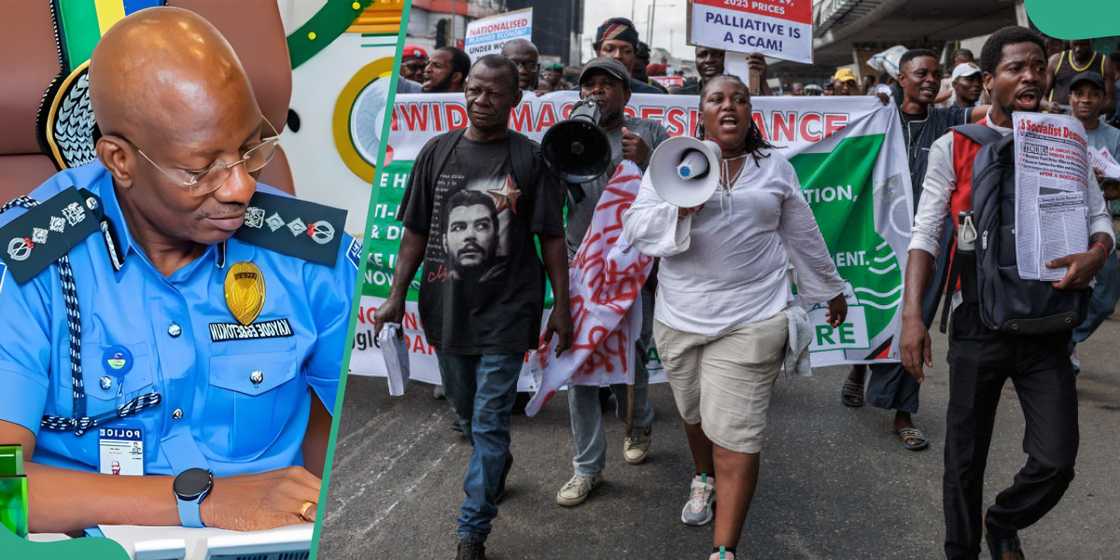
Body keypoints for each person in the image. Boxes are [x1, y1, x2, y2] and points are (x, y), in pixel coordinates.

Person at [0, 7, 355, 533]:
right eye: (201, 168)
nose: (240, 187)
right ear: (119, 160)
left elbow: (349, 454)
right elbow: (5, 486)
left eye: (249, 148)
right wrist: (201, 502)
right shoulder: (32, 258)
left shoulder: (309, 254)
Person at [902, 26, 1115, 560]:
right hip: (977, 321)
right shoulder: (955, 146)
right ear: (989, 80)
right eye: (1015, 68)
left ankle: (1003, 521)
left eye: (1037, 67)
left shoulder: (1068, 138)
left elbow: (1098, 218)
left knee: (1056, 460)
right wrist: (912, 318)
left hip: (1047, 323)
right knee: (965, 458)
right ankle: (962, 550)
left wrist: (1097, 252)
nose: (1029, 76)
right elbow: (925, 233)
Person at [622, 74, 847, 560]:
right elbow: (637, 226)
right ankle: (702, 476)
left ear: (750, 113)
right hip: (680, 316)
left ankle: (724, 551)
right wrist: (681, 210)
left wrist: (829, 288)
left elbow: (803, 231)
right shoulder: (674, 165)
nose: (729, 107)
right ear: (699, 113)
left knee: (736, 433)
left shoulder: (774, 168)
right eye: (717, 99)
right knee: (694, 413)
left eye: (740, 100)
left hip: (754, 316)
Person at [374, 54, 571, 560]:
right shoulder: (437, 152)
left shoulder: (530, 160)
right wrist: (397, 295)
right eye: (475, 91)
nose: (481, 101)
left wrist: (562, 308)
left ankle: (471, 532)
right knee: (466, 417)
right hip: (446, 309)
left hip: (509, 310)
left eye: (493, 94)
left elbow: (551, 240)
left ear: (515, 100)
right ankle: (495, 461)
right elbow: (414, 233)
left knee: (488, 421)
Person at [842, 48, 987, 452]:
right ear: (901, 79)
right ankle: (858, 369)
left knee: (915, 315)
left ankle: (903, 413)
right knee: (877, 309)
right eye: (920, 73)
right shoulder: (878, 116)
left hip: (927, 239)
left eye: (935, 75)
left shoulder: (946, 120)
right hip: (877, 234)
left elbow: (989, 115)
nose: (929, 80)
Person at [553, 57, 667, 508]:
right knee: (578, 363)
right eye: (589, 85)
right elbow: (554, 196)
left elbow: (681, 187)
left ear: (626, 93)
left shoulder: (650, 132)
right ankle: (587, 468)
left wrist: (650, 160)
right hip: (582, 263)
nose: (597, 92)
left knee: (631, 355)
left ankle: (638, 422)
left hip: (635, 266)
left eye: (607, 84)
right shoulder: (570, 132)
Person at [1067, 71, 1120, 368]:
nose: (1085, 99)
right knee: (1063, 285)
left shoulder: (1114, 137)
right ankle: (1060, 347)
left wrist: (1109, 184)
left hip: (1099, 225)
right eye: (1079, 93)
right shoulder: (1058, 128)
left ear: (1103, 99)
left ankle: (1070, 337)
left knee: (1106, 295)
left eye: (1093, 94)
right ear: (1069, 98)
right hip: (1062, 219)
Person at [591, 17, 661, 94]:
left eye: (626, 51)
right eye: (609, 49)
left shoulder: (654, 95)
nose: (618, 56)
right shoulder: (578, 95)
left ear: (634, 55)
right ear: (598, 53)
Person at [1047, 39, 1116, 113]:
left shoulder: (1104, 63)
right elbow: (1040, 97)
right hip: (1057, 118)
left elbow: (1110, 103)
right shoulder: (1056, 60)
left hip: (1089, 120)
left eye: (1083, 45)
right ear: (1069, 42)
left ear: (1091, 42)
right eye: (1075, 44)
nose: (1078, 49)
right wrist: (1048, 105)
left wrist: (1089, 112)